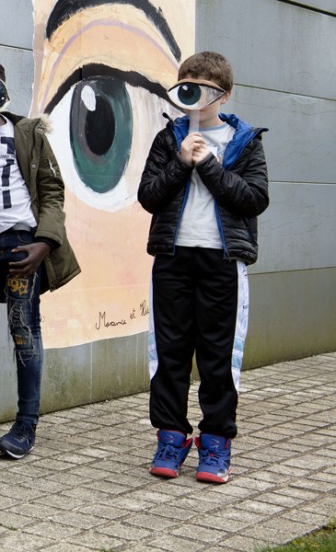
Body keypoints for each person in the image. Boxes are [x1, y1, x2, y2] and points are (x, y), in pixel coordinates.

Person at [138, 51, 269, 483]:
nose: (191, 94)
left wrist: (208, 164)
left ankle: (216, 443)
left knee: (218, 357)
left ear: (223, 95)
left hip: (222, 261)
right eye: (186, 84)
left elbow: (254, 200)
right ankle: (171, 437)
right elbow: (149, 197)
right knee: (170, 354)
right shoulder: (168, 138)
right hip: (173, 258)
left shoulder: (245, 141)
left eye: (202, 87)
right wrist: (180, 162)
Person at [0, 57, 80, 460]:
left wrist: (45, 242)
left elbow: (53, 190)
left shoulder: (29, 132)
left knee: (24, 328)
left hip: (24, 242)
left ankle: (26, 426)